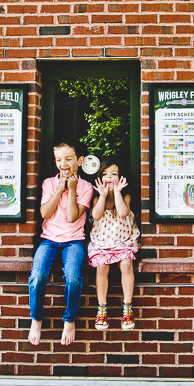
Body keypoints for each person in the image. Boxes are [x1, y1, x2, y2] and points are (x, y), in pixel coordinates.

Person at [29, 139, 93, 346]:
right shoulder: (49, 183)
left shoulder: (86, 187)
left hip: (73, 240)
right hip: (49, 240)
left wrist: (72, 189)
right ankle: (36, 319)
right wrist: (59, 189)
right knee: (37, 276)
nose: (63, 164)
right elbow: (45, 214)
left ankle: (69, 319)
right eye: (58, 159)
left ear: (79, 160)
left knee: (73, 276)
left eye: (68, 159)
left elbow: (73, 217)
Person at [88, 158, 140, 331]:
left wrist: (117, 192)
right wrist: (103, 195)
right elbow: (96, 216)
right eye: (105, 174)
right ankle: (102, 309)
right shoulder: (97, 197)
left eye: (114, 174)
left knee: (126, 264)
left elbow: (124, 213)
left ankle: (127, 307)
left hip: (123, 241)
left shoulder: (125, 196)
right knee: (102, 267)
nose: (109, 177)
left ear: (121, 177)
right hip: (102, 242)